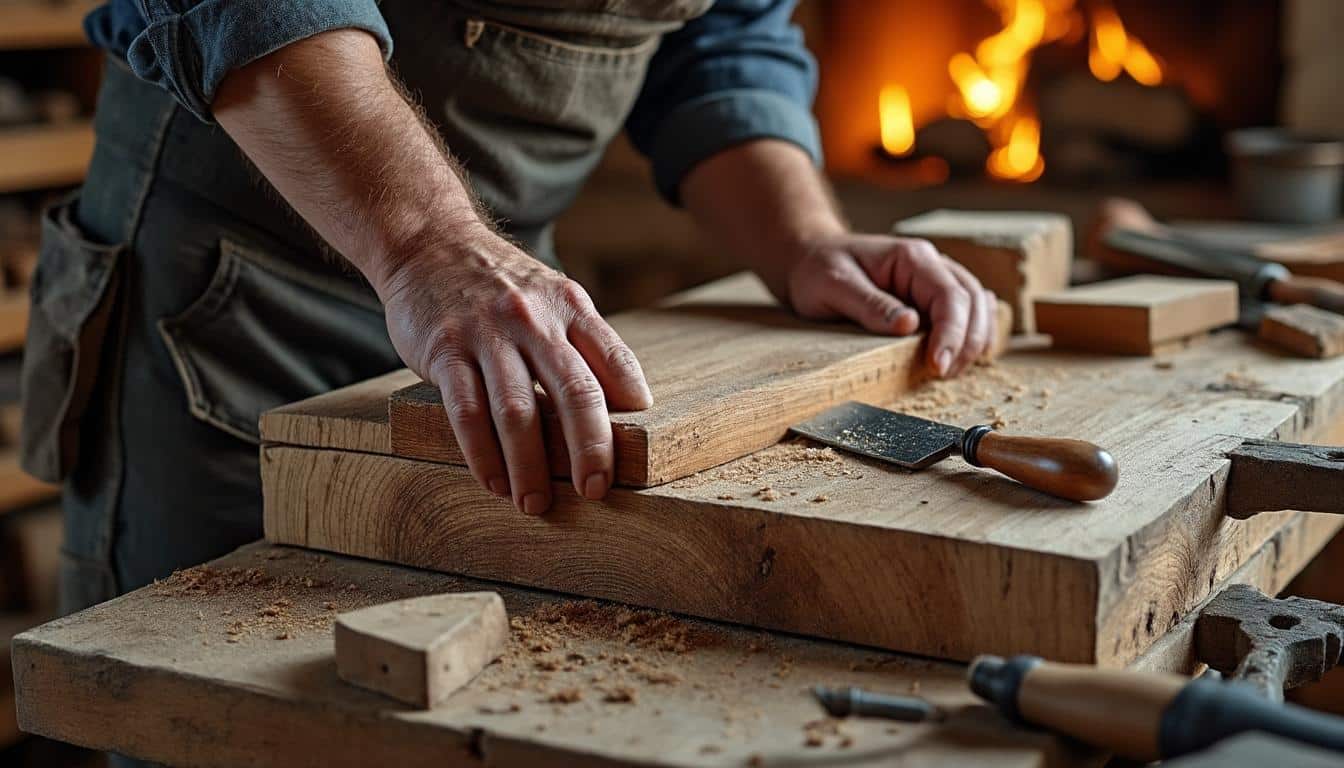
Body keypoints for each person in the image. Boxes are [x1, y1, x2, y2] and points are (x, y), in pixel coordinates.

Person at [22, 0, 998, 620]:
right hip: (234, 298)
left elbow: (724, 34)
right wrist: (427, 248)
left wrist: (801, 239)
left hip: (502, 304)